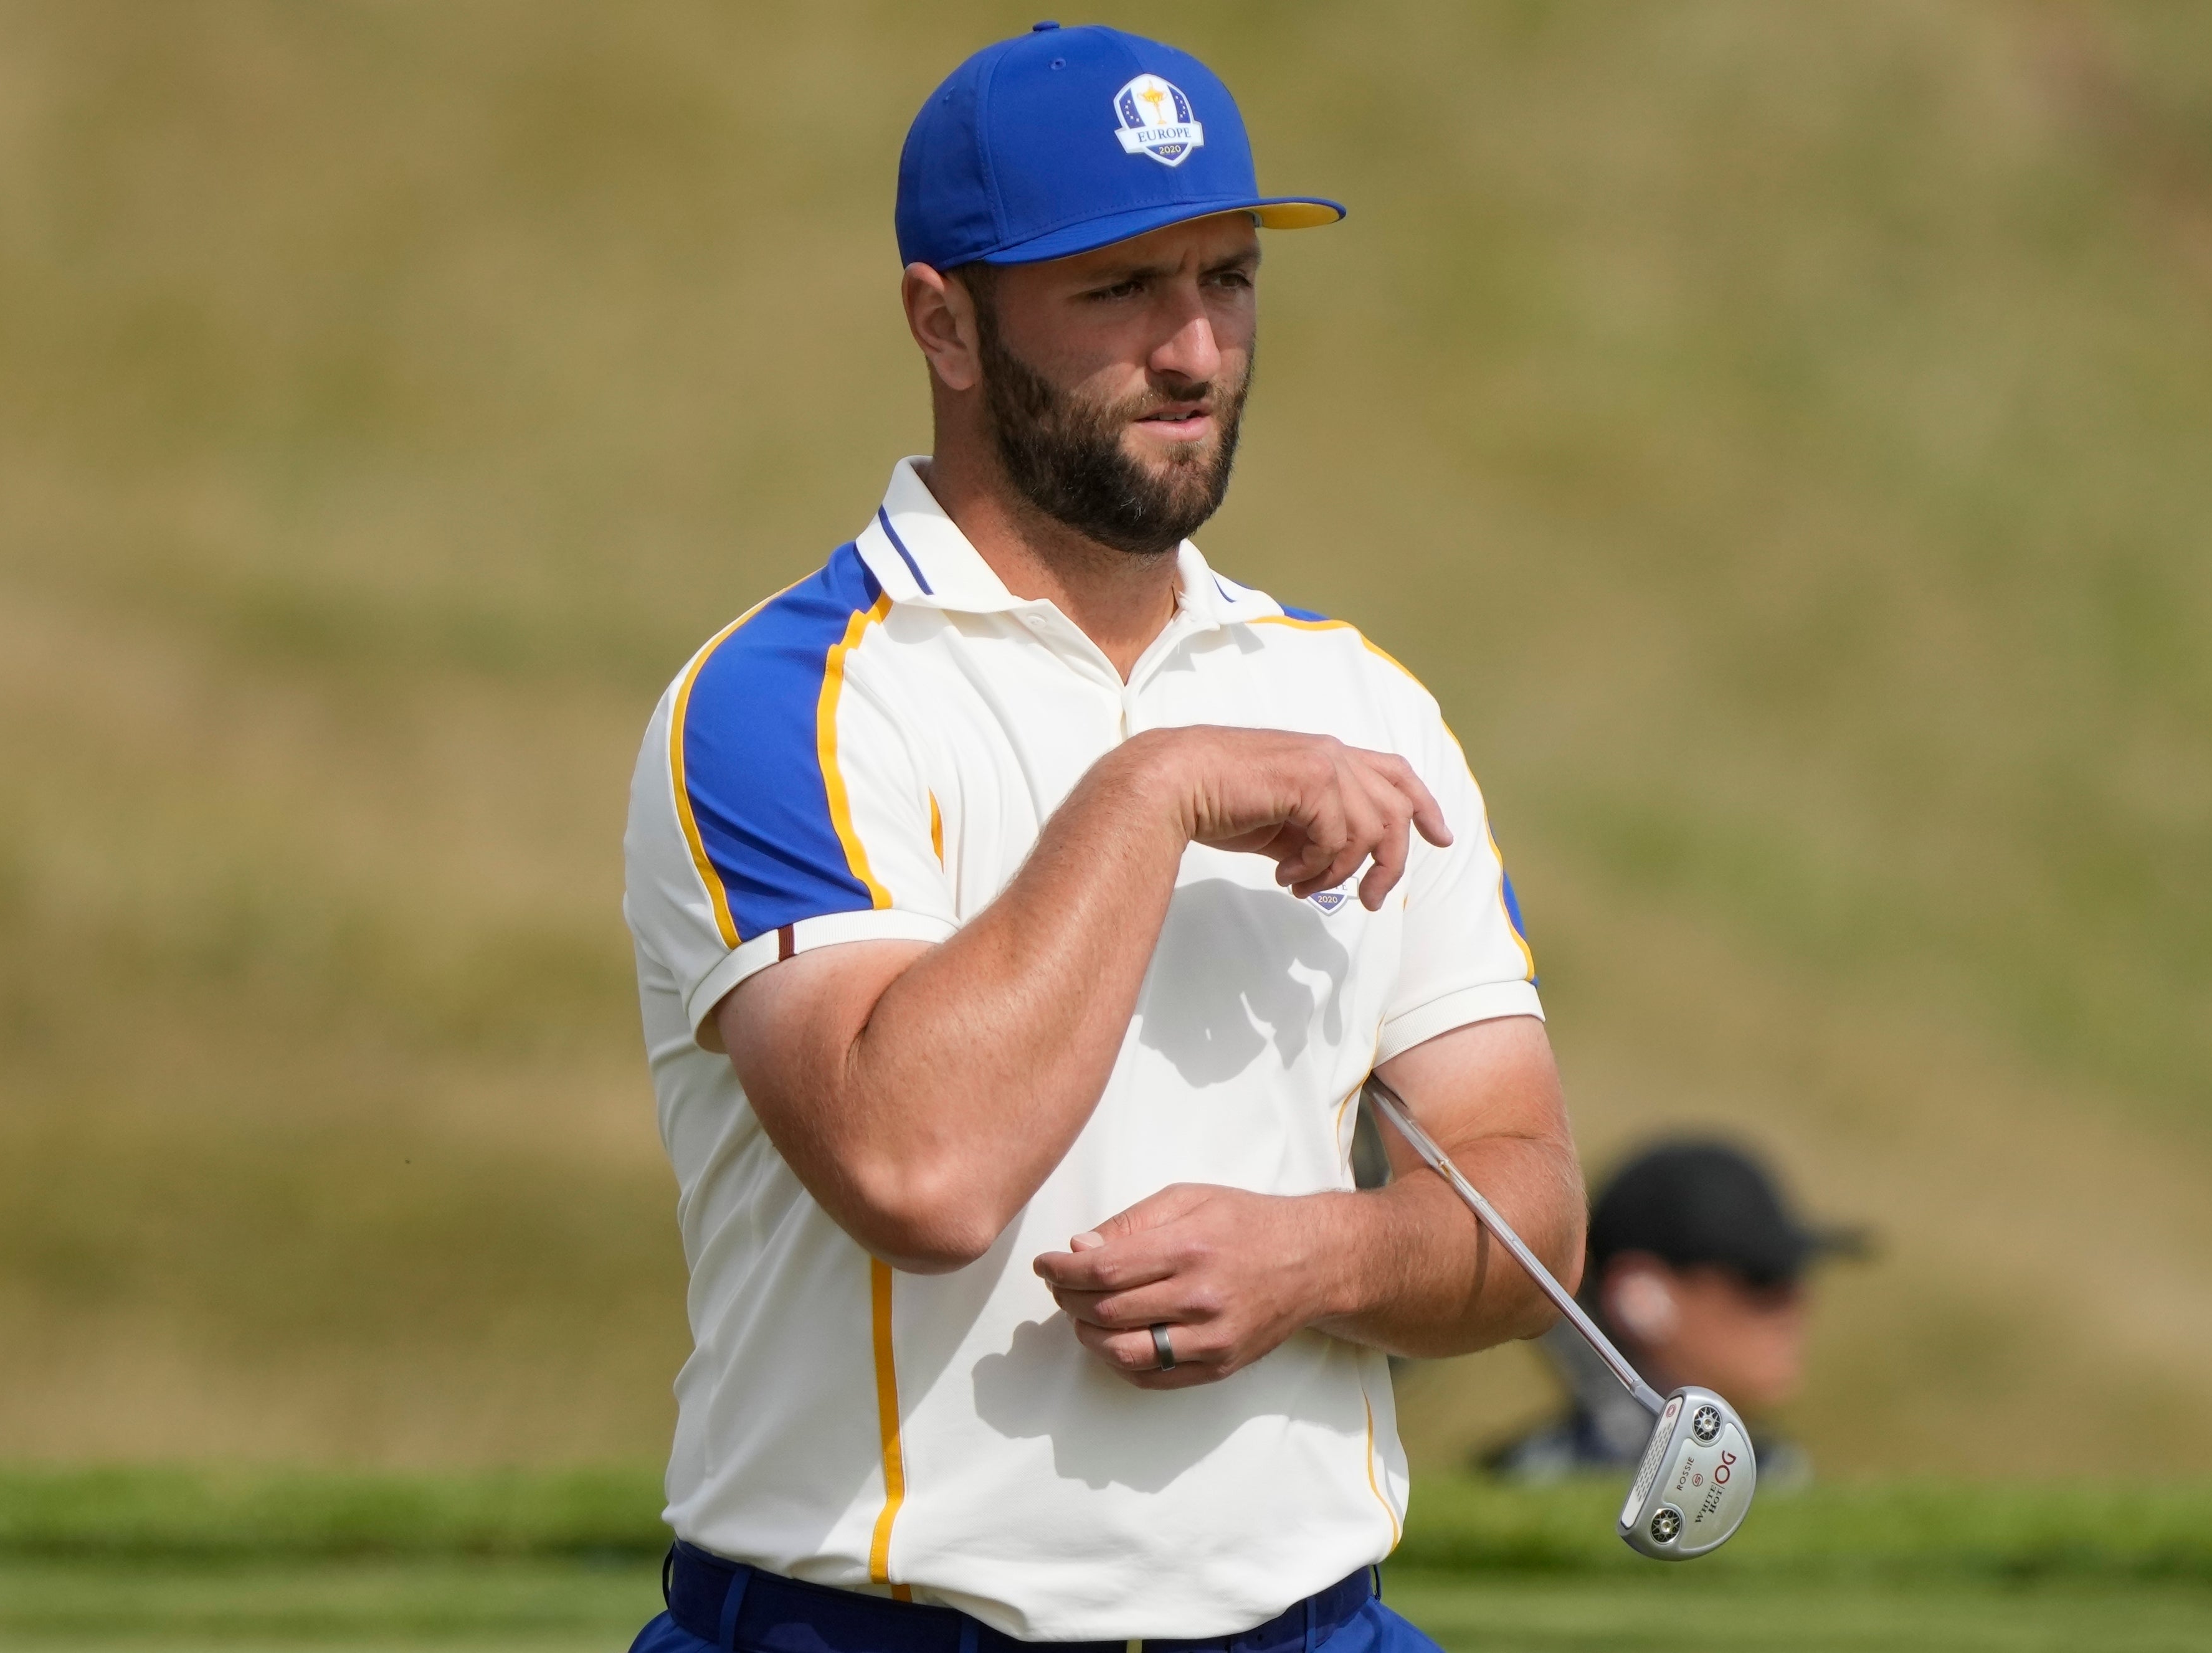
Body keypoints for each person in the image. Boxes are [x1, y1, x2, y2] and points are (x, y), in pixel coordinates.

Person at [620, 23, 1582, 1653]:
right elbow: (916, 1167)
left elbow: (1532, 1207)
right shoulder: (785, 700)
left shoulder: (1362, 699)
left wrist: (1319, 1252)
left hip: (1311, 1623)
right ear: (944, 318)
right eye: (1119, 290)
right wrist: (1157, 788)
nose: (1197, 349)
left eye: (1226, 276)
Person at [1480, 1139, 1863, 1486]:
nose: (1795, 1304)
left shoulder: (1778, 1469)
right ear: (1642, 1297)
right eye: (1761, 1280)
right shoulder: (1536, 1480)